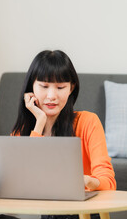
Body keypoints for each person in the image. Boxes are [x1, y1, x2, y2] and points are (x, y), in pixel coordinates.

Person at [12, 50, 116, 219]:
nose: (52, 96)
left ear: (71, 88)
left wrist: (88, 181)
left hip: (83, 213)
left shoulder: (88, 121)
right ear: (32, 86)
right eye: (44, 86)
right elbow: (21, 182)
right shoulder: (23, 131)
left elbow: (108, 182)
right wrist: (39, 122)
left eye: (60, 87)